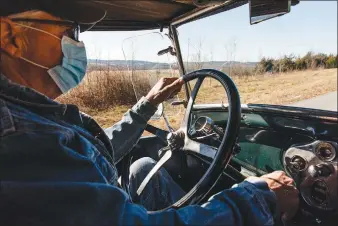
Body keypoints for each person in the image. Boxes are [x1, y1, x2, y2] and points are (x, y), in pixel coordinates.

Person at [0, 8, 299, 226]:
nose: (78, 45)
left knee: (143, 167)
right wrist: (258, 199)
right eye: (71, 31)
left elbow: (90, 151)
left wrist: (145, 107)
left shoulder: (32, 118)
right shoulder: (20, 138)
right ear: (9, 36)